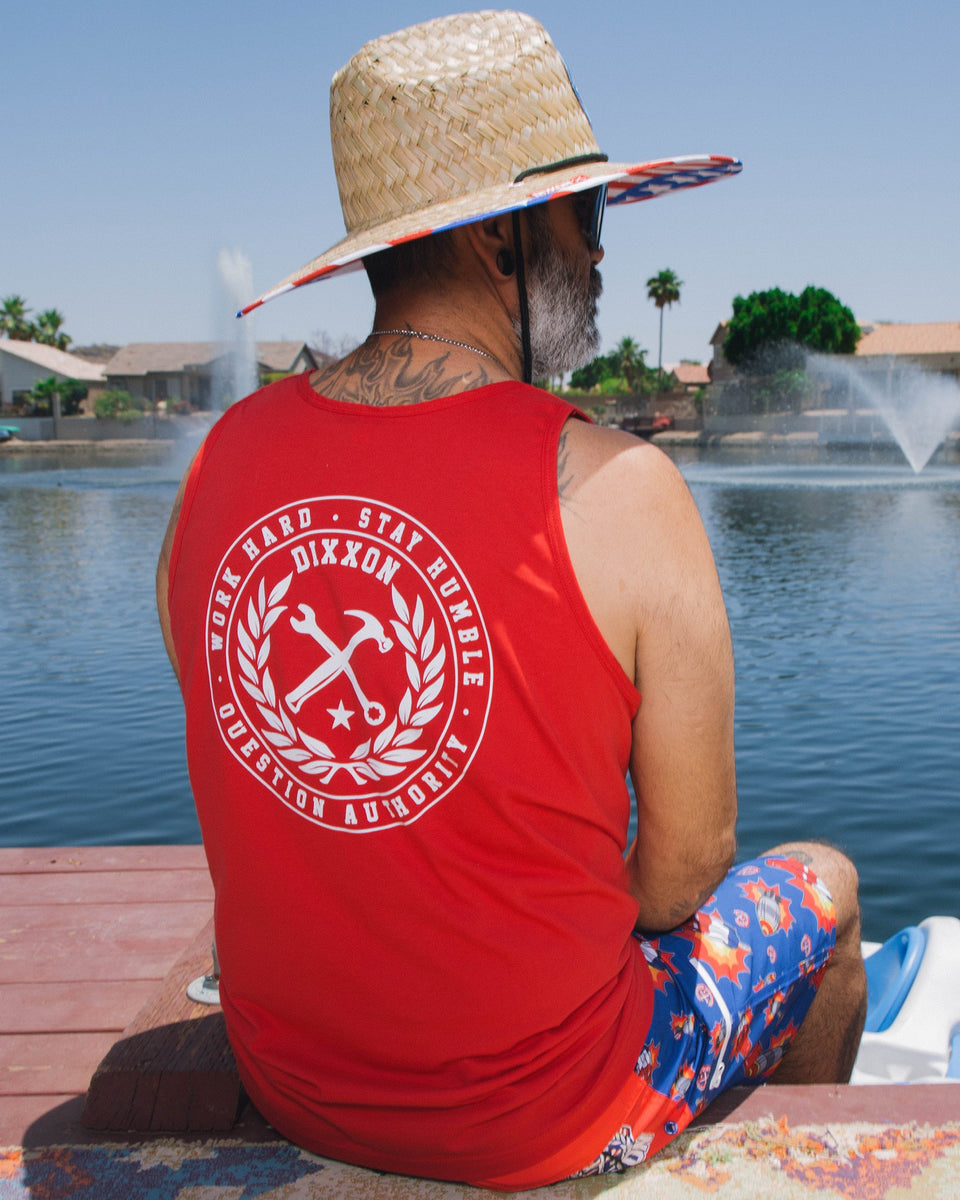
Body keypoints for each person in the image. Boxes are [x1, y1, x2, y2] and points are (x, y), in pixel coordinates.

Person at [157, 10, 866, 1189]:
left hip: (298, 1085)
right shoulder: (615, 482)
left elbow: (224, 722)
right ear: (503, 238)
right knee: (826, 888)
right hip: (549, 1114)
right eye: (584, 219)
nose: (599, 258)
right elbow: (687, 871)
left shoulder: (221, 459)